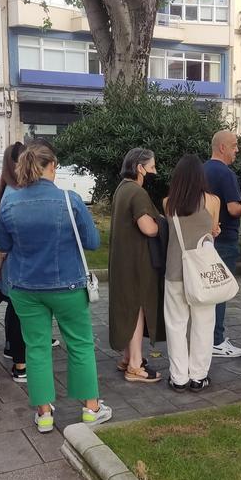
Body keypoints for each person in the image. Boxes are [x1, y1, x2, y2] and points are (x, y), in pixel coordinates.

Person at [0, 141, 112, 432]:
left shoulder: (10, 201)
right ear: (52, 167)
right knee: (80, 345)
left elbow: (2, 244)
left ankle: (44, 414)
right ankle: (90, 408)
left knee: (36, 348)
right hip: (68, 286)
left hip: (25, 286)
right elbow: (93, 242)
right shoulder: (69, 200)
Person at [0, 142, 58, 383]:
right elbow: (2, 238)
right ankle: (20, 361)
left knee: (16, 310)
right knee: (18, 312)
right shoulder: (15, 194)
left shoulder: (11, 190)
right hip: (19, 266)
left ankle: (13, 350)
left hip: (18, 265)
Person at [163, 154, 221, 393]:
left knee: (176, 325)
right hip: (203, 273)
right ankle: (199, 376)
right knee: (203, 324)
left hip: (175, 271)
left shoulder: (168, 203)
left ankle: (178, 377)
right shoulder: (213, 201)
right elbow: (213, 230)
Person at [107, 148, 162, 382]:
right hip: (136, 263)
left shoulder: (121, 189)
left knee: (128, 308)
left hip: (122, 261)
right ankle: (136, 366)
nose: (154, 172)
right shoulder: (137, 193)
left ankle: (128, 358)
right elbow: (148, 228)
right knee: (137, 310)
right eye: (152, 167)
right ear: (140, 168)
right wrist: (160, 224)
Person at [203, 130, 241, 358]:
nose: (237, 150)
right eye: (234, 145)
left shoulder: (202, 169)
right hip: (224, 239)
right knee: (219, 293)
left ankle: (204, 337)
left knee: (206, 292)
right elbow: (232, 208)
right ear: (222, 147)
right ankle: (216, 341)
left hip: (203, 240)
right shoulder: (226, 174)